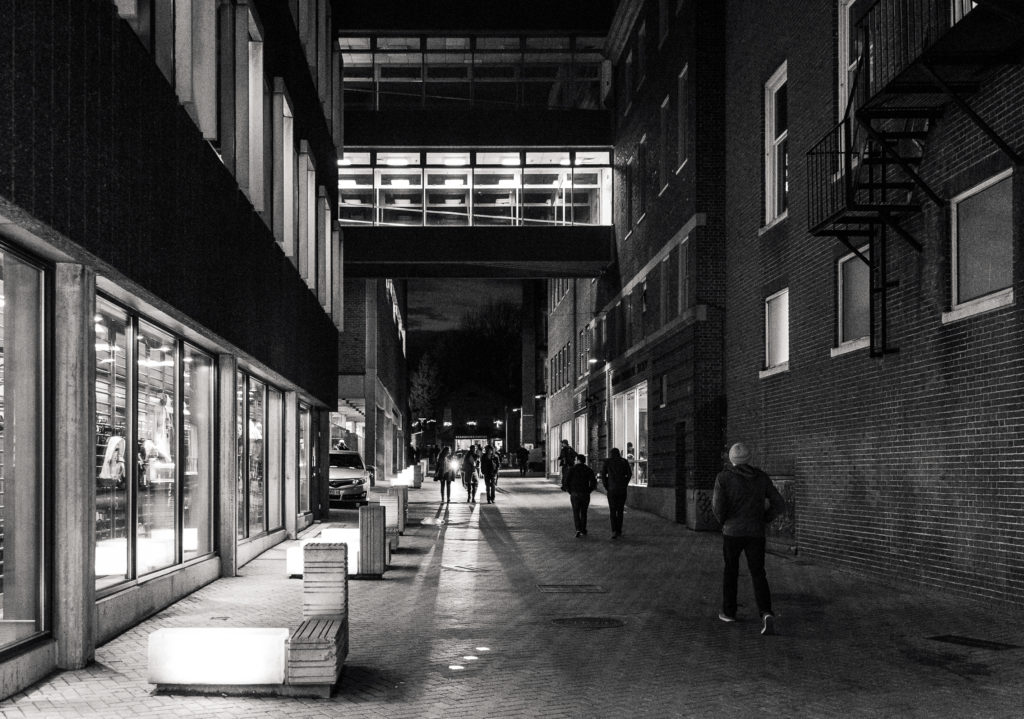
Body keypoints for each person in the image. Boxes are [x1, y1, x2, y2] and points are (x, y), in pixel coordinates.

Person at [712, 442, 787, 635]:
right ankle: (766, 612)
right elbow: (779, 503)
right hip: (755, 532)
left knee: (731, 571)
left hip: (732, 532)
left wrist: (724, 522)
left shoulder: (724, 478)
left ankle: (729, 612)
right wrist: (764, 519)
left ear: (732, 459)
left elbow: (718, 508)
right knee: (758, 573)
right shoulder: (761, 478)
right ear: (748, 458)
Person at [561, 453, 596, 537]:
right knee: (584, 512)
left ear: (578, 460)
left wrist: (570, 491)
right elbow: (593, 483)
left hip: (575, 494)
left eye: (575, 459)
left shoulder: (572, 469)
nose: (574, 461)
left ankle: (578, 529)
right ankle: (583, 529)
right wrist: (589, 490)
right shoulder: (588, 469)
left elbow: (566, 482)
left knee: (576, 512)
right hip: (585, 494)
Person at [601, 447, 632, 539]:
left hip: (611, 489)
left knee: (612, 510)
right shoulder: (624, 461)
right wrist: (625, 483)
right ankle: (619, 530)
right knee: (620, 510)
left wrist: (607, 485)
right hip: (622, 489)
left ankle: (614, 530)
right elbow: (629, 474)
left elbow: (603, 475)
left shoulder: (608, 462)